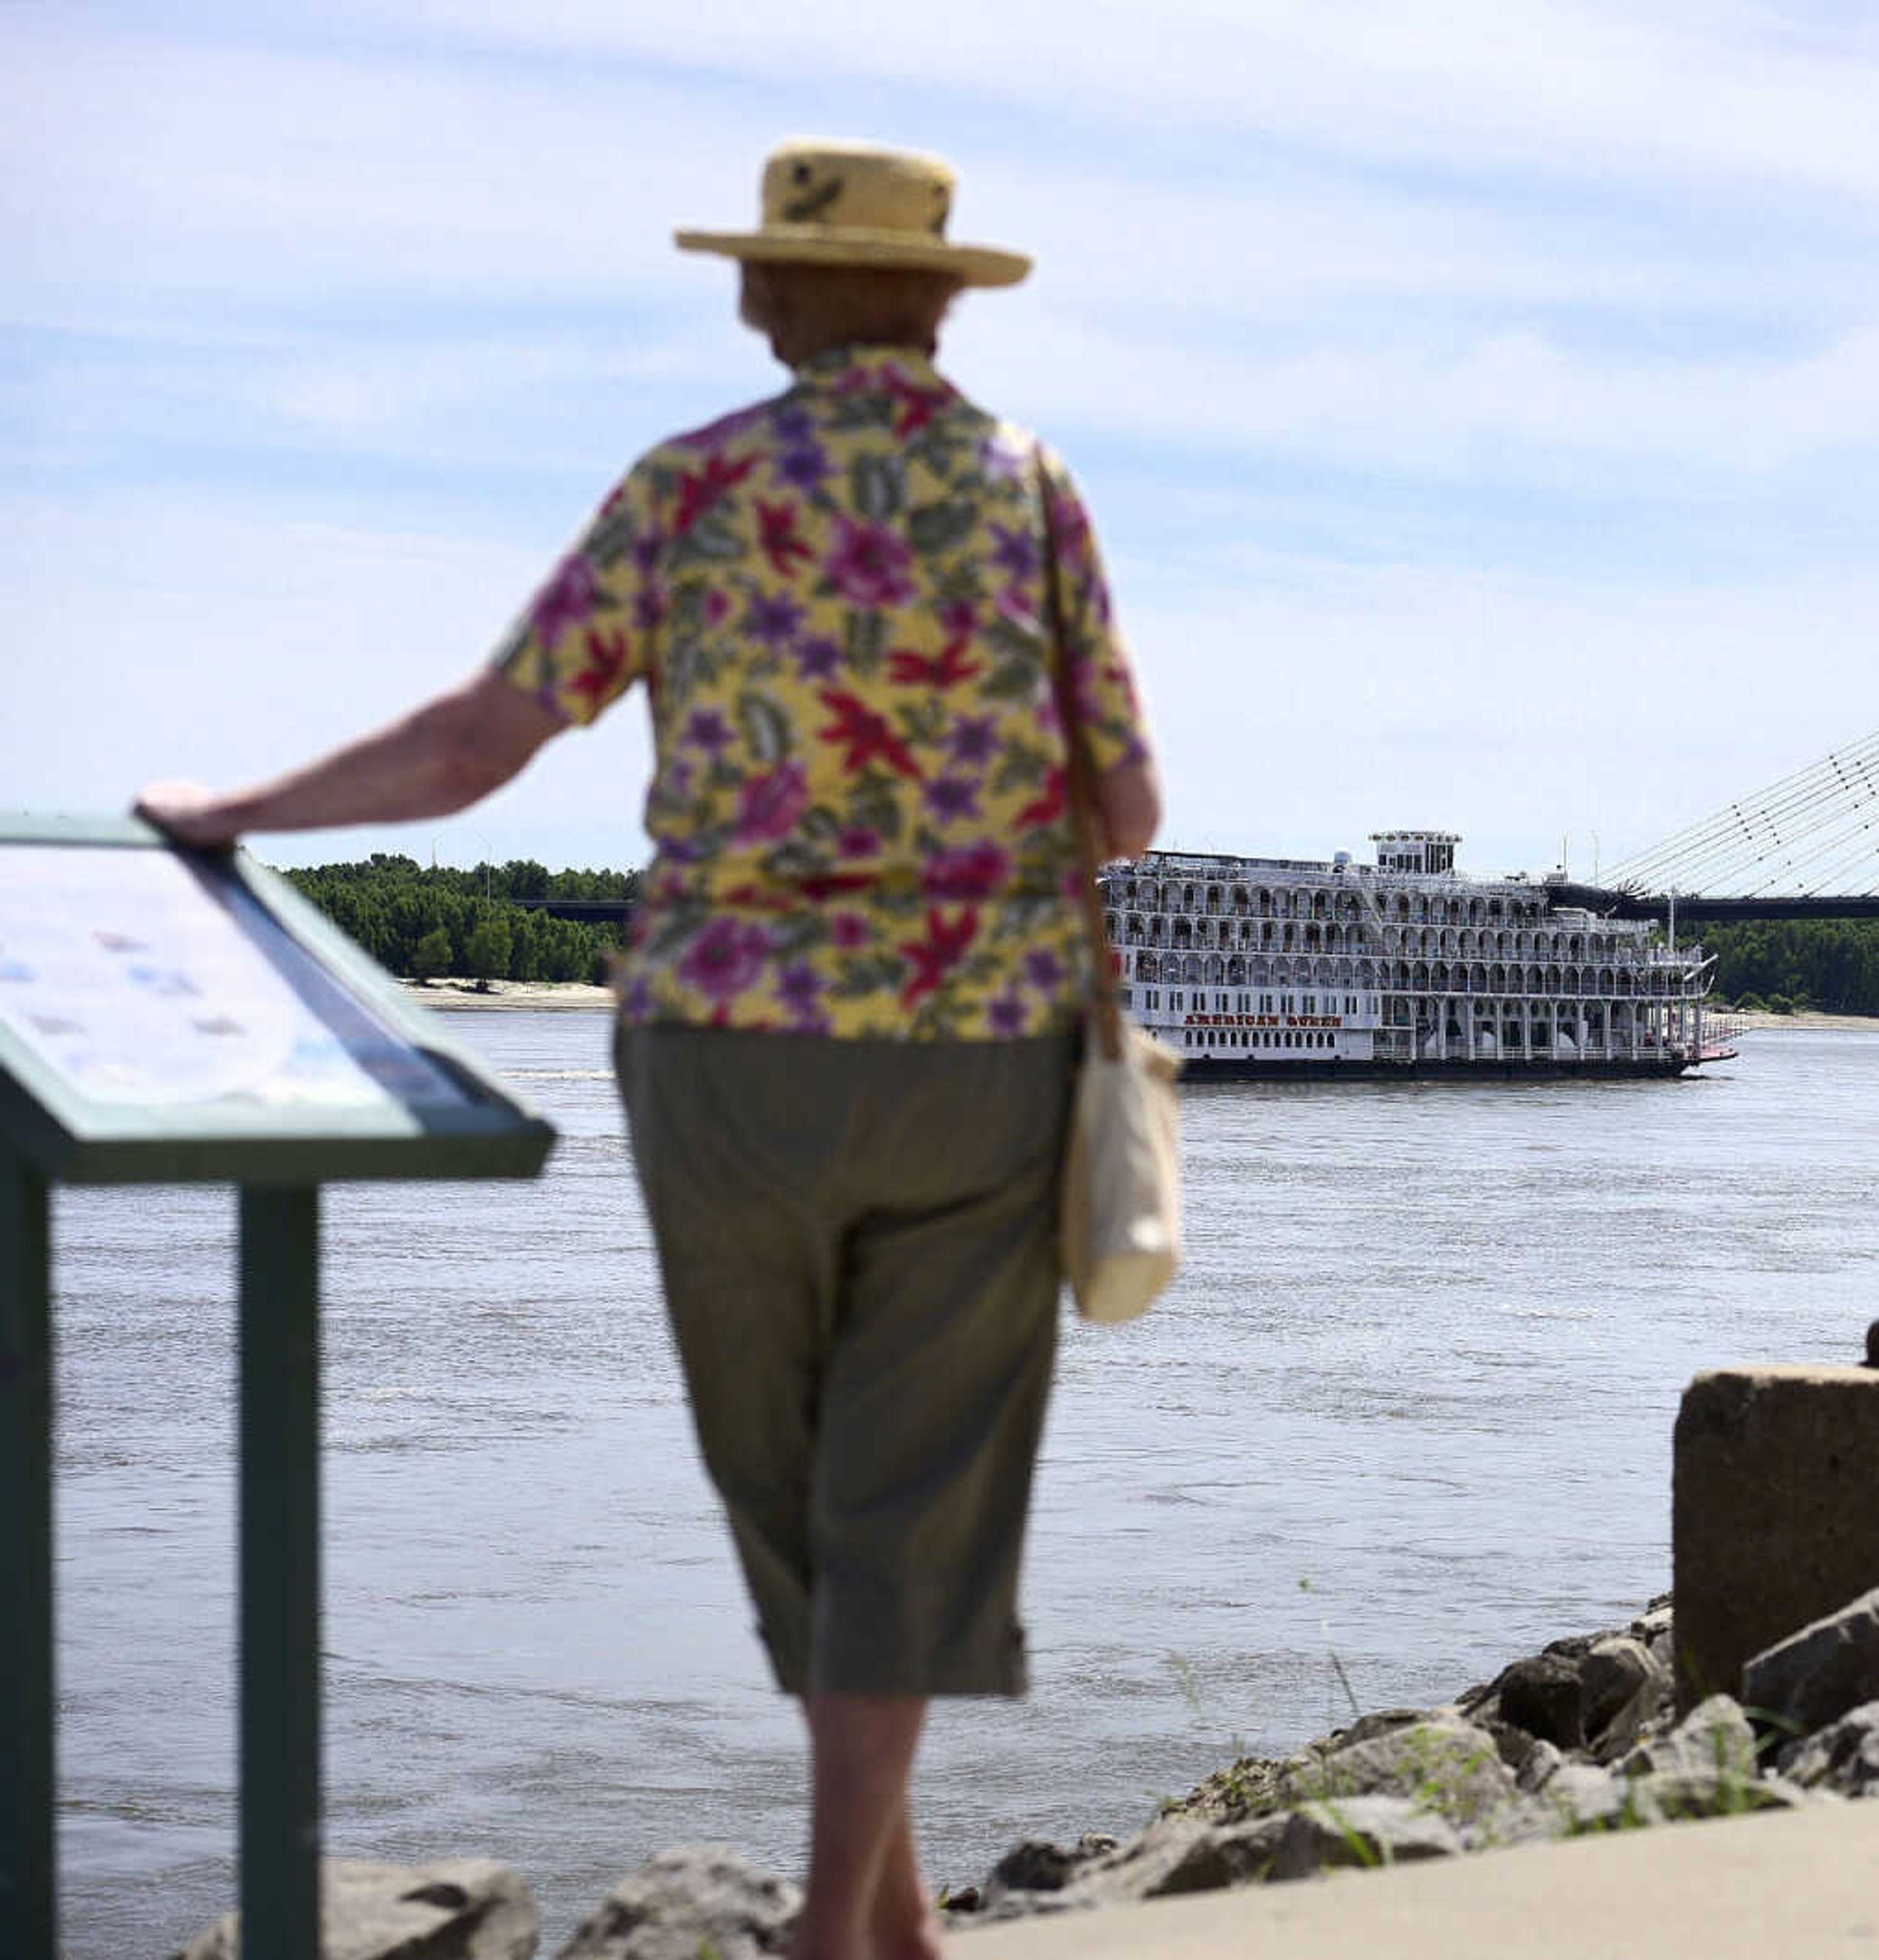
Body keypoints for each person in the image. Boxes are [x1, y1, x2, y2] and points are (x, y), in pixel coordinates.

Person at [137, 138, 1161, 1960]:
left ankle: (845, 1936)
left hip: (727, 1049)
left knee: (788, 1489)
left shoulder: (691, 488)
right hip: (978, 1053)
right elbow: (1133, 809)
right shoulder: (1030, 490)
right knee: (903, 1497)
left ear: (779, 295)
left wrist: (242, 807)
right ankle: (886, 1929)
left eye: (758, 270)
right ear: (937, 302)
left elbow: (479, 741)